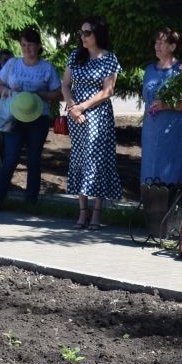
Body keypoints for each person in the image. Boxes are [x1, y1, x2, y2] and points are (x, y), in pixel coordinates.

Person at [0, 28, 62, 212]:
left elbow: (59, 93)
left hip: (38, 117)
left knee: (33, 159)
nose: (27, 48)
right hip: (14, 116)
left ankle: (31, 201)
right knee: (10, 158)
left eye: (31, 44)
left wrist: (39, 94)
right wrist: (10, 92)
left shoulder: (47, 68)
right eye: (24, 45)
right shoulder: (13, 64)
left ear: (38, 46)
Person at [61, 16, 123, 230]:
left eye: (87, 33)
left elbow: (108, 91)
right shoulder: (75, 56)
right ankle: (81, 213)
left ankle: (97, 213)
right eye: (81, 32)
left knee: (97, 160)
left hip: (98, 116)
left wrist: (82, 107)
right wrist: (72, 107)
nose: (83, 37)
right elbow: (66, 85)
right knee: (79, 158)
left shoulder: (109, 59)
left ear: (98, 34)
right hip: (77, 116)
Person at [140, 27, 182, 189]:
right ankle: (151, 208)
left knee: (170, 171)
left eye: (161, 43)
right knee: (150, 167)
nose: (156, 46)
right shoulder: (149, 70)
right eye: (156, 42)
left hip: (173, 131)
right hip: (151, 131)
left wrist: (167, 105)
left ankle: (170, 209)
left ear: (172, 47)